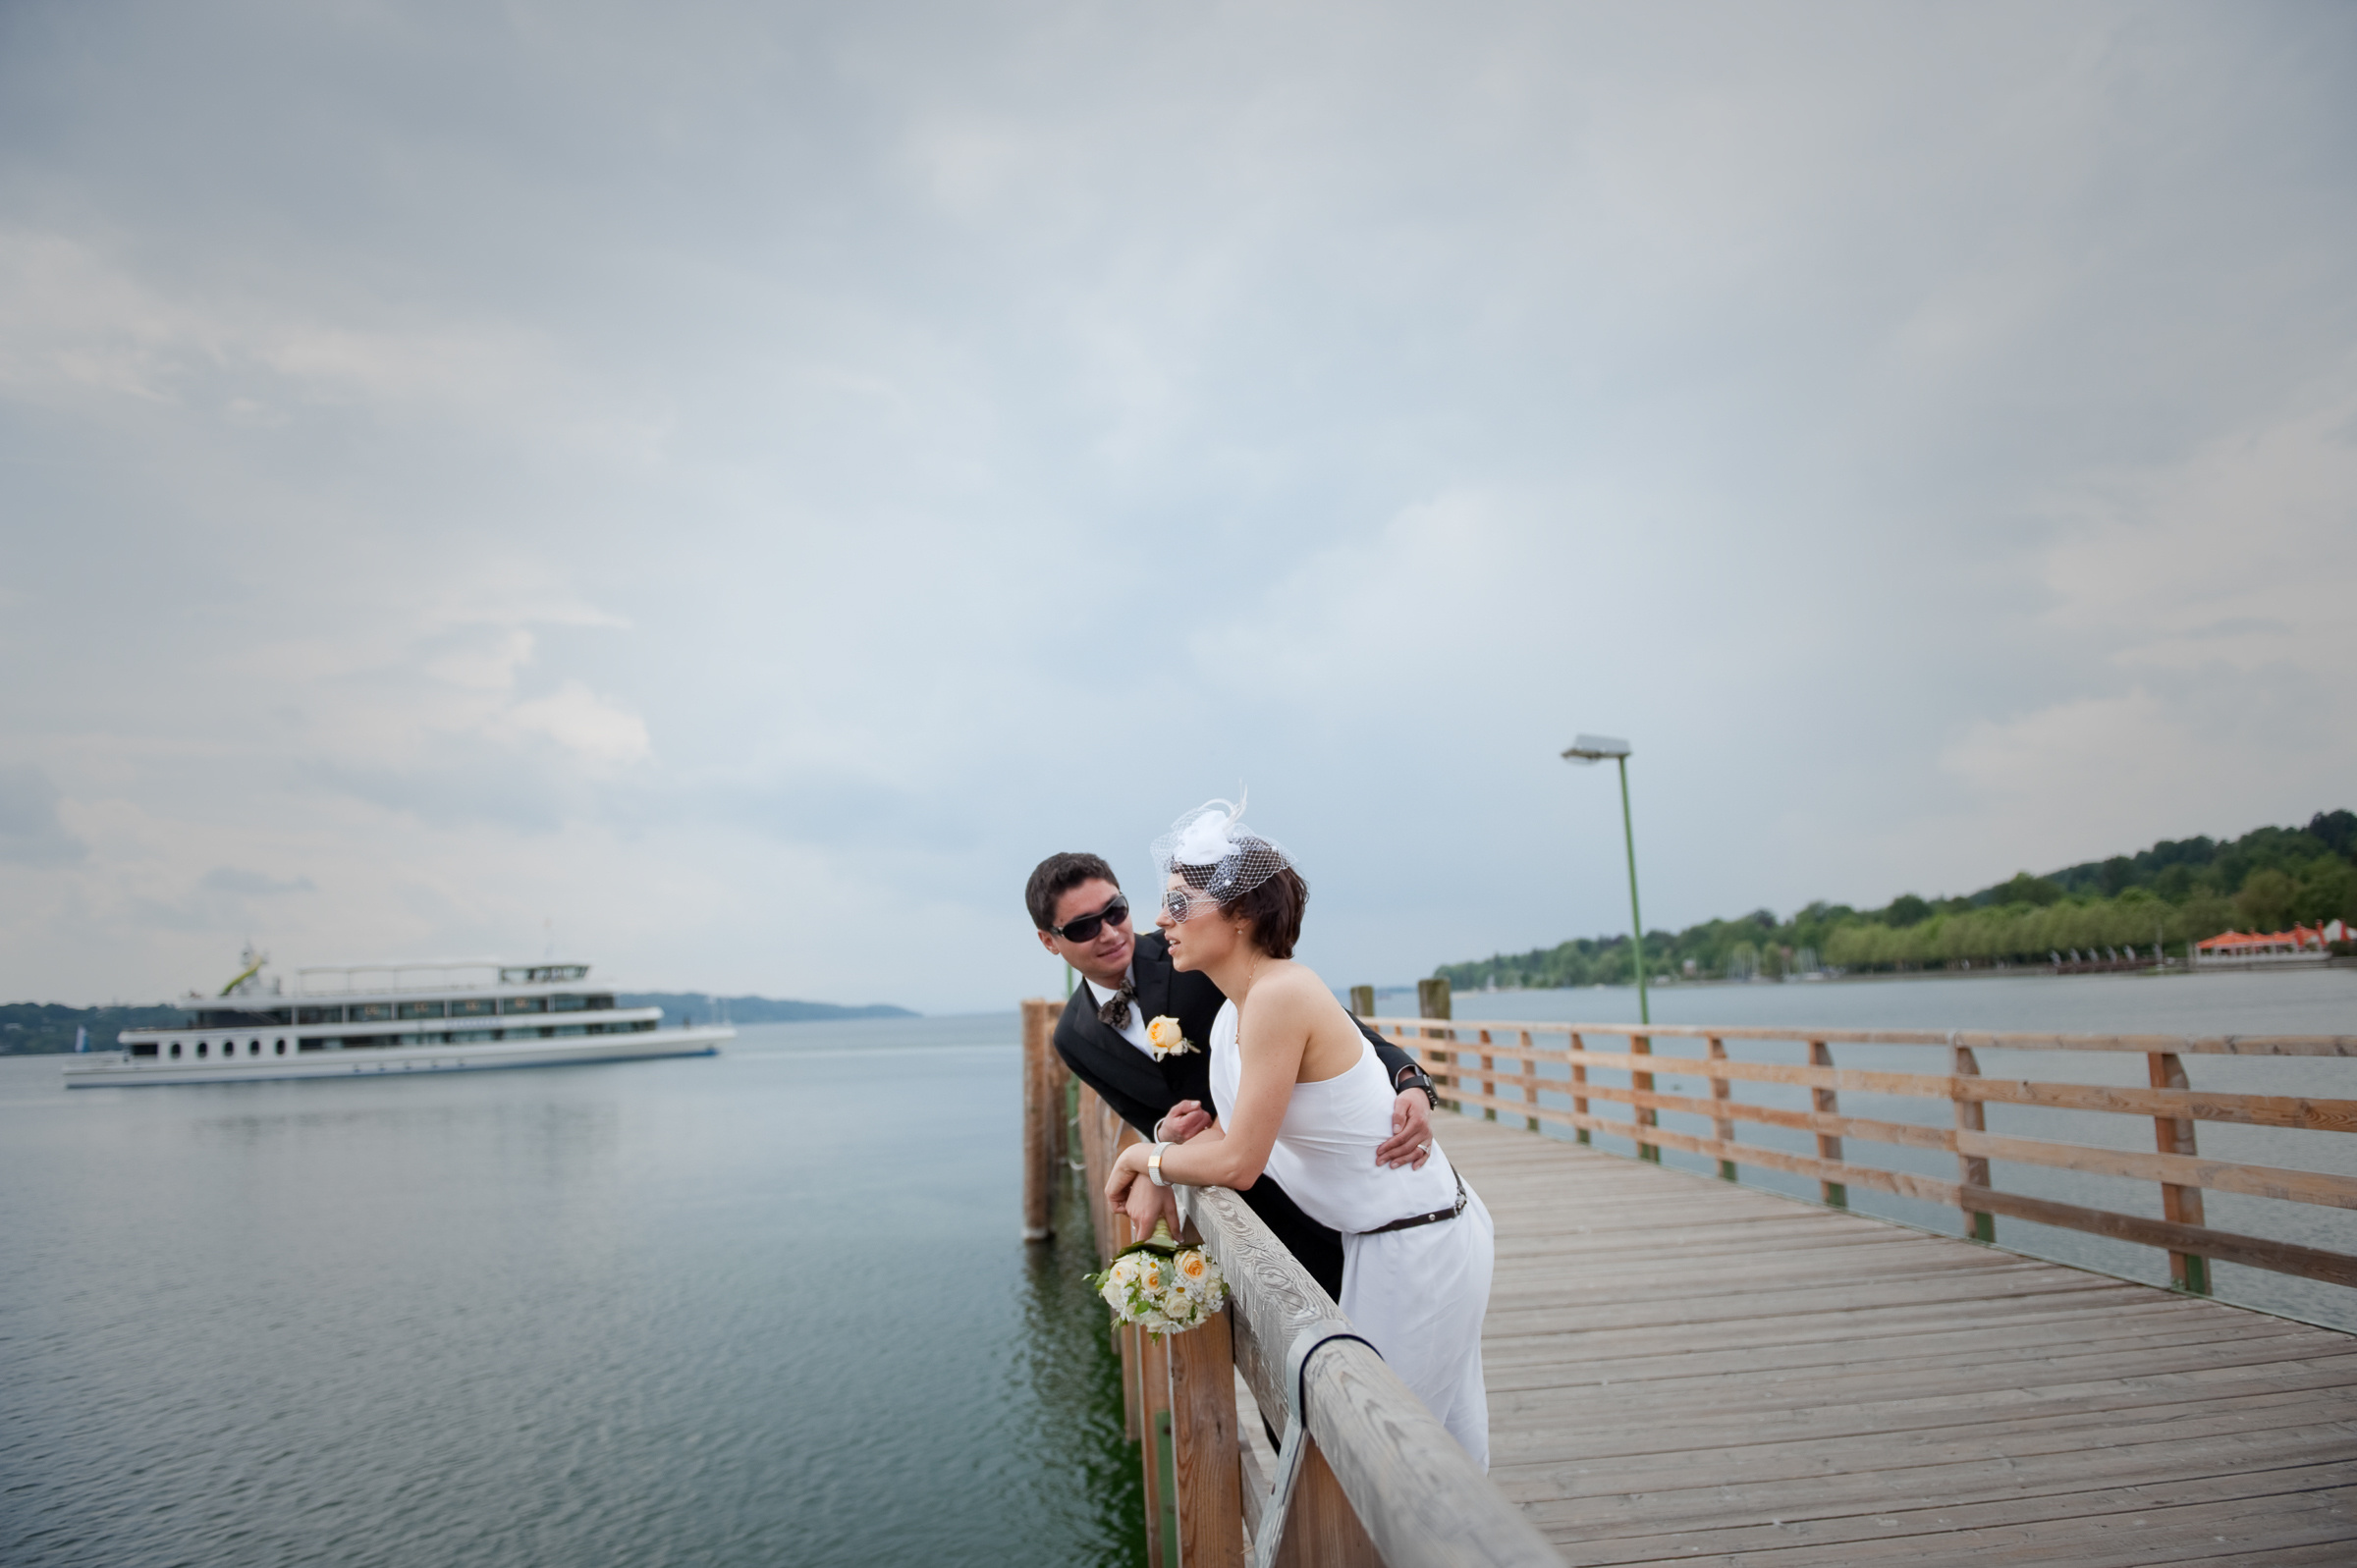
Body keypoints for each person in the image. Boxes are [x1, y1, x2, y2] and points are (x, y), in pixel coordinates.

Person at [1101, 800, 1494, 1467]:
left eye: (1179, 901)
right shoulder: (1235, 1011)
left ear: (1240, 914)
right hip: (1387, 1240)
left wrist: (1144, 1157)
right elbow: (1232, 1132)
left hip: (1417, 1243)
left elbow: (1241, 1162)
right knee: (1429, 1456)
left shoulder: (1282, 994)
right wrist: (1162, 1152)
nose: (1161, 918)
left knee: (1379, 1463)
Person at [1029, 850, 1439, 1305]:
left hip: (1327, 1167)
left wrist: (1410, 1078)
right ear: (1050, 941)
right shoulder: (1073, 1038)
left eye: (1115, 911)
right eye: (1084, 927)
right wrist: (1163, 1136)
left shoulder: (1199, 948)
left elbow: (1328, 1018)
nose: (1109, 932)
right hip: (1244, 1204)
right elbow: (1146, 1120)